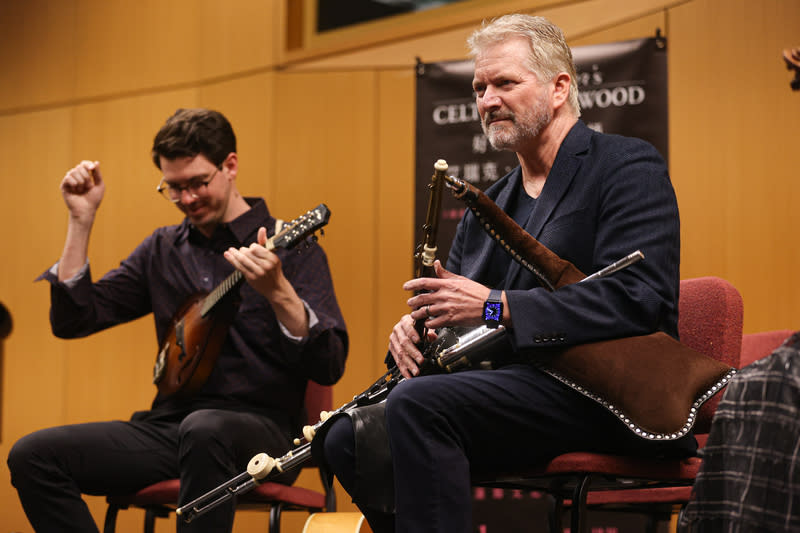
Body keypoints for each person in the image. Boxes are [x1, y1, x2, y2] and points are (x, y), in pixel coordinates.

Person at [319, 14, 696, 532]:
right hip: (518, 389)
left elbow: (640, 299)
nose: (488, 100)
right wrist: (417, 332)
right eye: (479, 87)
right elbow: (464, 313)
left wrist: (495, 305)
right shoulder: (490, 204)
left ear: (559, 86)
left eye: (505, 83)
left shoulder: (626, 165)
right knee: (346, 436)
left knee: (419, 406)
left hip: (606, 393)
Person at [7, 108, 348, 532]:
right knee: (33, 455)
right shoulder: (163, 249)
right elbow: (74, 320)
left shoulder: (291, 246)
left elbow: (329, 363)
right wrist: (81, 221)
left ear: (230, 166)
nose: (187, 199)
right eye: (173, 188)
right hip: (173, 427)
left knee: (207, 431)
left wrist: (279, 292)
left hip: (265, 434)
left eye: (198, 183)